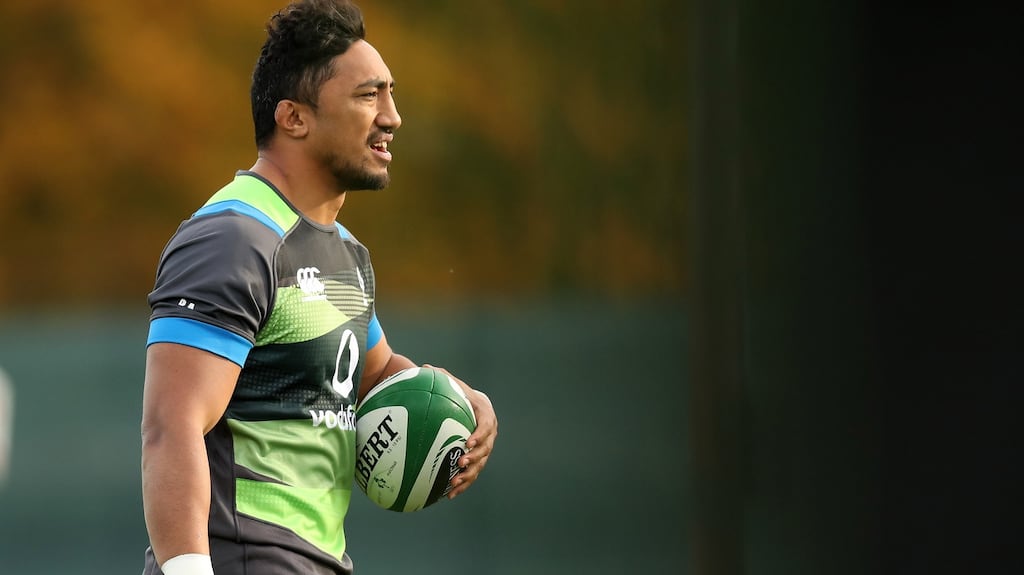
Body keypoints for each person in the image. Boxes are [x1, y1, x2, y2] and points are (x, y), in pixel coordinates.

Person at [139, 1, 498, 573]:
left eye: (390, 94)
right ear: (294, 118)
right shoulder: (235, 238)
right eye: (368, 96)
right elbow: (170, 426)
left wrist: (459, 400)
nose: (392, 116)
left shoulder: (344, 251)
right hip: (245, 559)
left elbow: (373, 374)